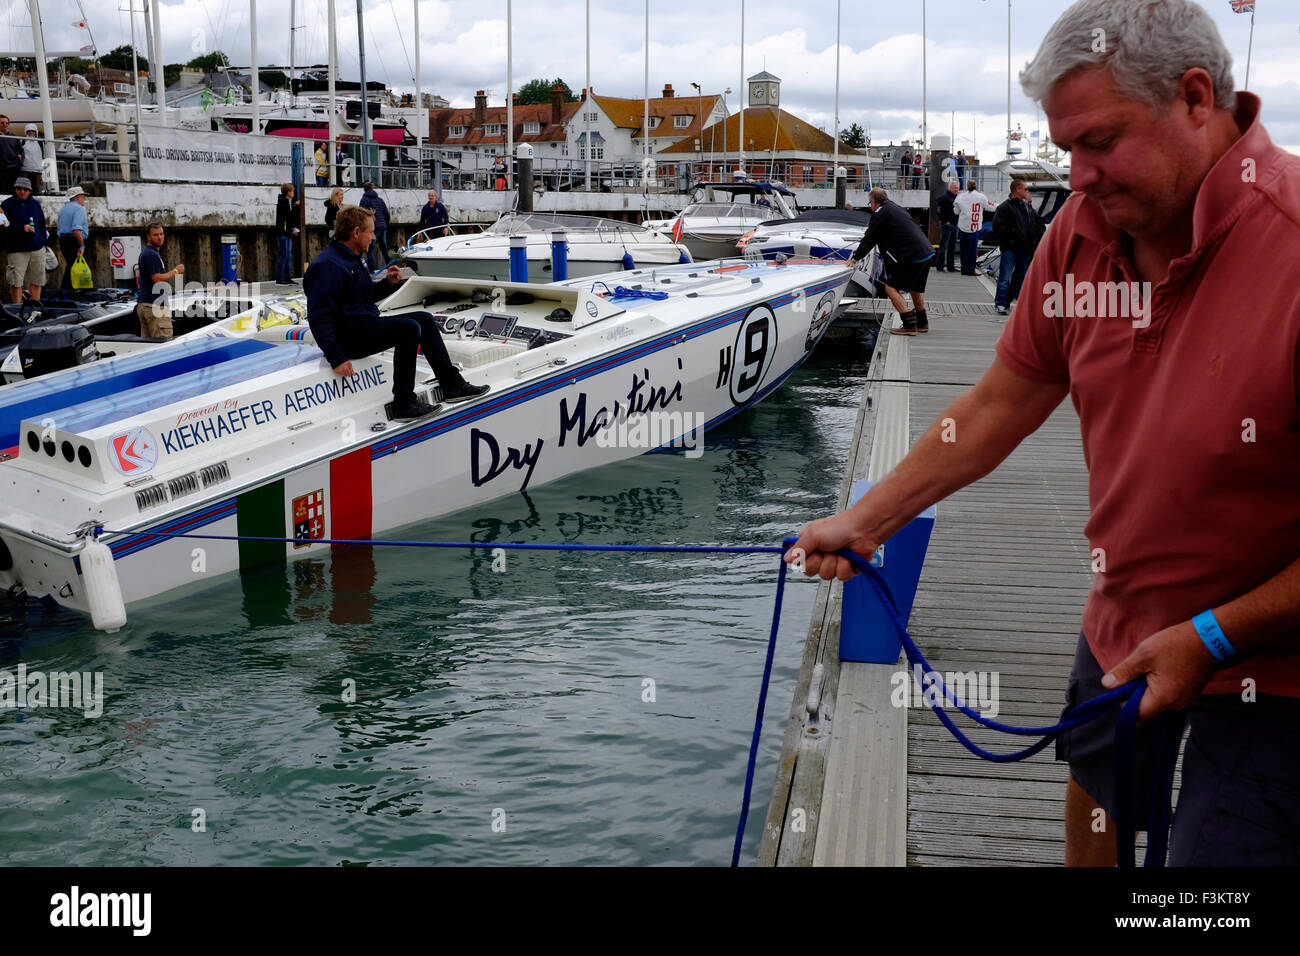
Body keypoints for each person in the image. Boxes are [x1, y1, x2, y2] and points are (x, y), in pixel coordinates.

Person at [788, 0, 1300, 868]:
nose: (1079, 174)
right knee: (1098, 812)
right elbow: (996, 406)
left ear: (1197, 98)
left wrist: (1213, 638)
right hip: (1123, 615)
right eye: (1065, 149)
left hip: (1278, 667)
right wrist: (868, 520)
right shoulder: (1077, 235)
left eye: (1099, 142)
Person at [304, 205, 489, 421]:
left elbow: (359, 298)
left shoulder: (352, 258)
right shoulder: (327, 265)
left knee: (424, 319)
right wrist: (337, 358)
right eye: (371, 232)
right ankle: (403, 403)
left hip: (362, 326)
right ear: (356, 233)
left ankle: (452, 385)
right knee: (408, 329)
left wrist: (387, 284)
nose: (374, 237)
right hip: (348, 338)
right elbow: (318, 317)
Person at [848, 187, 933, 335]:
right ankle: (922, 323)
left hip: (912, 255)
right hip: (926, 251)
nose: (871, 206)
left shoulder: (880, 213)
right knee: (915, 288)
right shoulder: (896, 208)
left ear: (874, 202)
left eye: (870, 203)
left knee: (890, 288)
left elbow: (869, 238)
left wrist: (855, 258)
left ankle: (909, 325)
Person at [990, 178, 1045, 313]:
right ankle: (1000, 304)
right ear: (1017, 190)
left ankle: (1020, 305)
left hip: (1025, 249)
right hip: (1011, 248)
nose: (1027, 191)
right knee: (1005, 277)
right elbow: (998, 228)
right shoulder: (1004, 207)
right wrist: (1015, 235)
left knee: (1022, 278)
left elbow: (1036, 224)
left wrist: (1035, 241)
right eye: (1025, 189)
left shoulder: (1026, 206)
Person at [2, 177, 47, 303]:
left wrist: (43, 242)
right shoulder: (6, 205)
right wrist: (22, 228)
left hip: (37, 247)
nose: (22, 191)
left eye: (25, 189)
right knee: (16, 282)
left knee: (37, 281)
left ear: (30, 190)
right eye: (19, 189)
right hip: (16, 249)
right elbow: (3, 227)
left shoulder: (36, 204)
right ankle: (16, 310)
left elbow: (42, 225)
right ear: (15, 189)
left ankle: (35, 309)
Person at [135, 221, 183, 339]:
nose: (160, 237)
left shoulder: (149, 252)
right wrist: (176, 271)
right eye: (156, 235)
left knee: (148, 348)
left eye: (161, 234)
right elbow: (157, 279)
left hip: (146, 305)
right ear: (148, 236)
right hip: (155, 307)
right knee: (164, 345)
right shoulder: (151, 254)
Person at [953, 180, 995, 276]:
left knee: (963, 249)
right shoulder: (981, 197)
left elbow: (956, 211)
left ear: (967, 186)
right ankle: (971, 270)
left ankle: (964, 270)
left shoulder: (960, 197)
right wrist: (999, 206)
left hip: (963, 227)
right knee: (972, 250)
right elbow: (990, 207)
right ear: (976, 186)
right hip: (974, 227)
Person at [56, 185, 90, 292]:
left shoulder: (64, 209)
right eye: (82, 196)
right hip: (74, 240)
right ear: (76, 197)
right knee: (74, 266)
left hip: (63, 240)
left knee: (71, 265)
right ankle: (69, 290)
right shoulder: (79, 209)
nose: (84, 198)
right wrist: (82, 245)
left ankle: (67, 290)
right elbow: (76, 229)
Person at [358, 181, 390, 270]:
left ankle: (371, 271)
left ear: (364, 190)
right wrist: (386, 225)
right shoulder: (380, 200)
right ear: (372, 189)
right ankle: (391, 267)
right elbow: (387, 214)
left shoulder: (364, 200)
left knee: (369, 249)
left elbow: (361, 214)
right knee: (384, 249)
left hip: (372, 228)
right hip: (382, 226)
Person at [275, 183, 300, 284]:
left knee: (288, 255)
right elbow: (287, 218)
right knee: (284, 255)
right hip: (283, 233)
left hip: (286, 233)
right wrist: (295, 207)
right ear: (288, 192)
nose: (293, 193)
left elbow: (288, 219)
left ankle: (286, 277)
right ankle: (281, 278)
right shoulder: (283, 203)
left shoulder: (287, 202)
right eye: (292, 191)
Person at [934, 180, 959, 272]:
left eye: (957, 188)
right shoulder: (943, 198)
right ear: (950, 188)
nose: (957, 189)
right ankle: (940, 266)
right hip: (947, 225)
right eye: (955, 187)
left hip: (955, 225)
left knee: (952, 247)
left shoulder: (957, 198)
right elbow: (938, 211)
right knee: (943, 246)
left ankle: (950, 266)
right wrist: (946, 221)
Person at [0, 115, 20, 194]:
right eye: (2, 123)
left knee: (12, 192)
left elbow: (21, 150)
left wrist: (19, 162)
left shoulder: (14, 136)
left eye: (7, 123)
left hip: (13, 169)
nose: (5, 124)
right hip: (0, 169)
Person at [20, 124, 42, 195]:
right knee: (25, 186)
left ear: (36, 132)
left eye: (33, 131)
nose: (31, 133)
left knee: (36, 187)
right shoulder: (23, 141)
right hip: (25, 168)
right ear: (26, 132)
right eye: (29, 131)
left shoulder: (40, 142)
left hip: (37, 169)